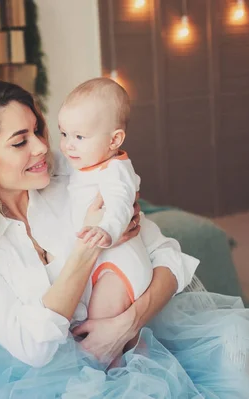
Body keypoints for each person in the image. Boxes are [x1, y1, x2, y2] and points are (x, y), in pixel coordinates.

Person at [0, 80, 249, 398]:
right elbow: (34, 348)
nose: (44, 146)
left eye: (38, 129)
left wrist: (129, 322)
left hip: (140, 351)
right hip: (45, 382)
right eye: (20, 141)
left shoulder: (76, 184)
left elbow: (170, 258)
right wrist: (87, 248)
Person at [58, 77, 173, 356]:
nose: (68, 145)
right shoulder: (82, 166)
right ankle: (136, 358)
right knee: (106, 330)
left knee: (100, 326)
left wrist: (107, 228)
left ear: (114, 140)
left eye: (79, 137)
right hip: (102, 263)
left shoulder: (115, 170)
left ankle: (121, 377)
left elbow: (121, 203)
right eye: (63, 134)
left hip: (119, 266)